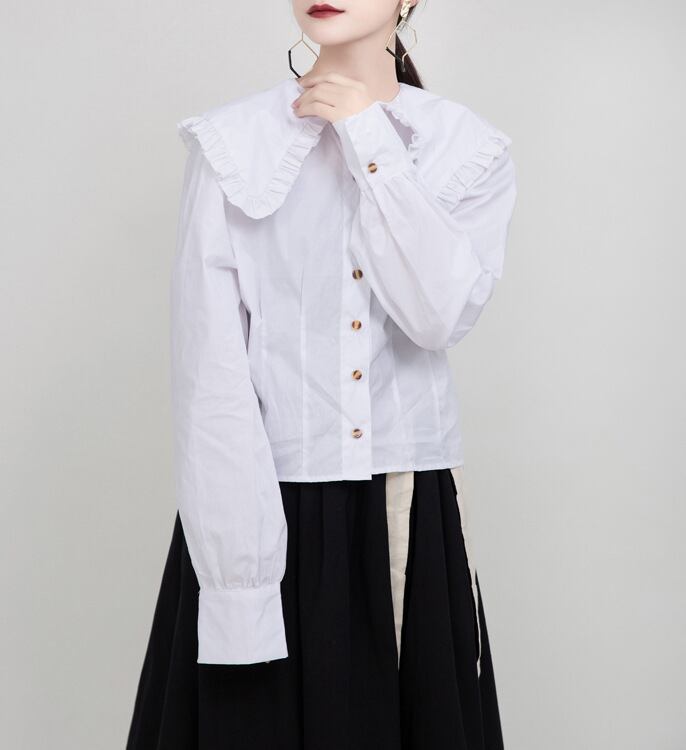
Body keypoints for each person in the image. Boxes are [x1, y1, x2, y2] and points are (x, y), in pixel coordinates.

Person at [127, 0, 517, 747]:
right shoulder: (231, 146)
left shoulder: (466, 148)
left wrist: (369, 140)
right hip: (251, 507)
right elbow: (210, 377)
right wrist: (239, 588)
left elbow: (436, 316)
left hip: (406, 510)